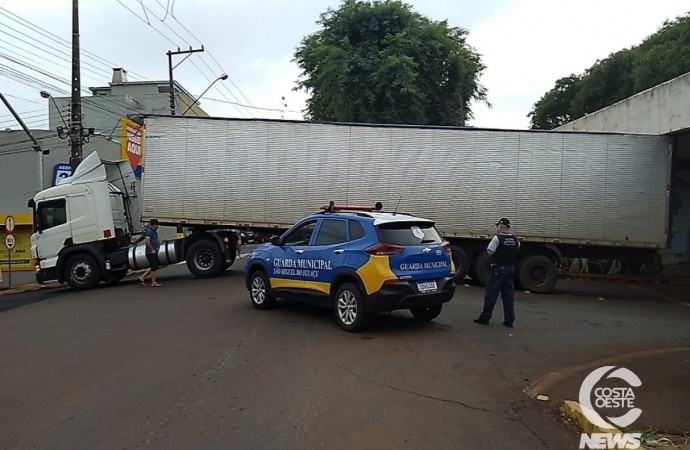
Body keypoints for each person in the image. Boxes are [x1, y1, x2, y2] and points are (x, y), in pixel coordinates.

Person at [474, 218, 519, 327]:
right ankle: (509, 320)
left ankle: (485, 317)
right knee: (508, 295)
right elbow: (516, 248)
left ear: (501, 226)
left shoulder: (497, 238)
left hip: (499, 269)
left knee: (491, 293)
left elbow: (490, 252)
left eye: (498, 225)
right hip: (510, 269)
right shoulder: (514, 239)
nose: (497, 228)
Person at [139, 219, 162, 287]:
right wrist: (152, 249)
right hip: (150, 252)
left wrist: (157, 247)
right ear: (154, 224)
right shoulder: (149, 231)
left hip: (154, 251)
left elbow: (156, 240)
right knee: (153, 267)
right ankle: (153, 282)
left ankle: (143, 276)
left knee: (155, 266)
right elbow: (147, 241)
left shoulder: (154, 231)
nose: (158, 226)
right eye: (157, 225)